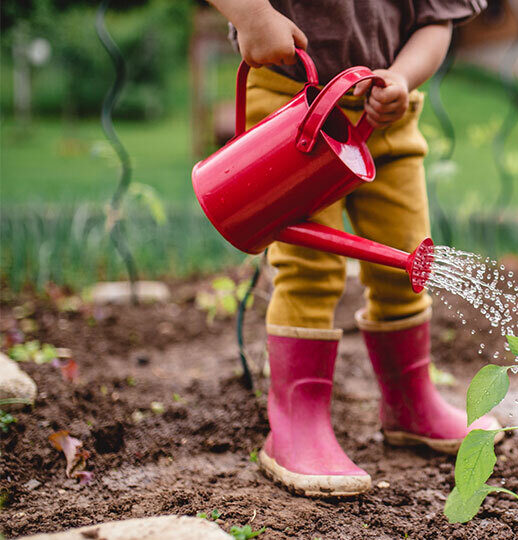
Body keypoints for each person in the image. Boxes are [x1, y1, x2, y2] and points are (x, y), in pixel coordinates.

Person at [207, 0, 499, 498]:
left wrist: (402, 78)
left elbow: (437, 20)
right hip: (290, 105)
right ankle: (296, 423)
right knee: (310, 269)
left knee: (408, 261)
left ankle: (410, 402)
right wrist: (252, 14)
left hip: (387, 115)